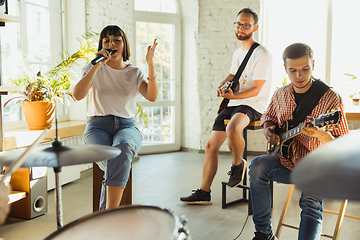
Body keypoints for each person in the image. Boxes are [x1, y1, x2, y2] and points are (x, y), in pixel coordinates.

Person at [249, 43, 349, 240]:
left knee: (310, 198)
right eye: (293, 70)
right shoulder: (280, 94)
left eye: (305, 69)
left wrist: (320, 135)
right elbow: (267, 116)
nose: (299, 76)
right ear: (285, 69)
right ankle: (263, 233)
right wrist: (268, 129)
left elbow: (342, 148)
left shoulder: (331, 98)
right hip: (287, 162)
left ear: (313, 64)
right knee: (257, 166)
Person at [180, 8, 272, 204]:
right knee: (210, 146)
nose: (241, 27)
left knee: (232, 128)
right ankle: (204, 193)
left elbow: (256, 89)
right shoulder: (238, 52)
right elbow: (233, 74)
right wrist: (222, 85)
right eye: (238, 23)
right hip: (234, 101)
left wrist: (235, 94)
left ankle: (238, 166)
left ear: (254, 27)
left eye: (246, 24)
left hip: (253, 105)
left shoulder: (262, 54)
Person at [73, 25, 158, 211]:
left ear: (123, 44)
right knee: (115, 158)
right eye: (106, 40)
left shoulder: (134, 72)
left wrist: (150, 64)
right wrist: (96, 66)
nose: (111, 43)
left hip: (126, 126)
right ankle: (111, 215)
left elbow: (152, 96)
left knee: (124, 147)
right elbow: (77, 95)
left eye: (116, 39)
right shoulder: (93, 67)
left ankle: (107, 214)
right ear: (102, 45)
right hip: (97, 126)